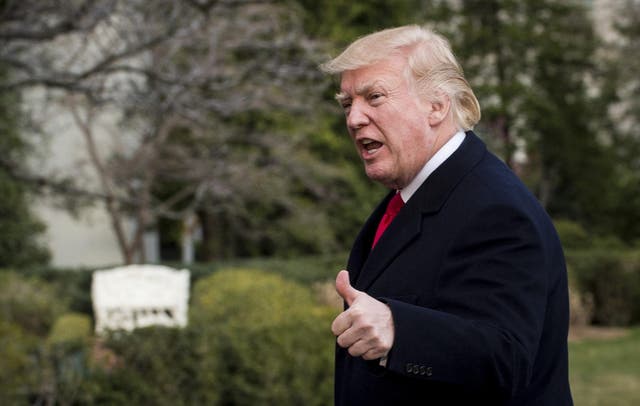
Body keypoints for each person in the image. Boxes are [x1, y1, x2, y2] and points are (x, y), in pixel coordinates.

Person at [320, 25, 573, 405]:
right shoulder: (410, 195)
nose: (354, 118)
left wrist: (397, 330)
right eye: (347, 103)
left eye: (374, 97)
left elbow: (506, 359)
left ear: (436, 106)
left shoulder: (495, 209)